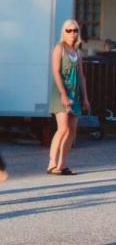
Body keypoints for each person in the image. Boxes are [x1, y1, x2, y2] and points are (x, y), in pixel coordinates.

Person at [47, 20, 90, 176]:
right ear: (64, 32)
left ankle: (61, 165)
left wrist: (85, 98)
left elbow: (81, 75)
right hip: (61, 93)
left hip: (75, 93)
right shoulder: (59, 48)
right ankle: (52, 163)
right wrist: (63, 94)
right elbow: (56, 71)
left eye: (75, 30)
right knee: (63, 128)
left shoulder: (77, 52)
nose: (72, 33)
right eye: (69, 30)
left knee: (72, 131)